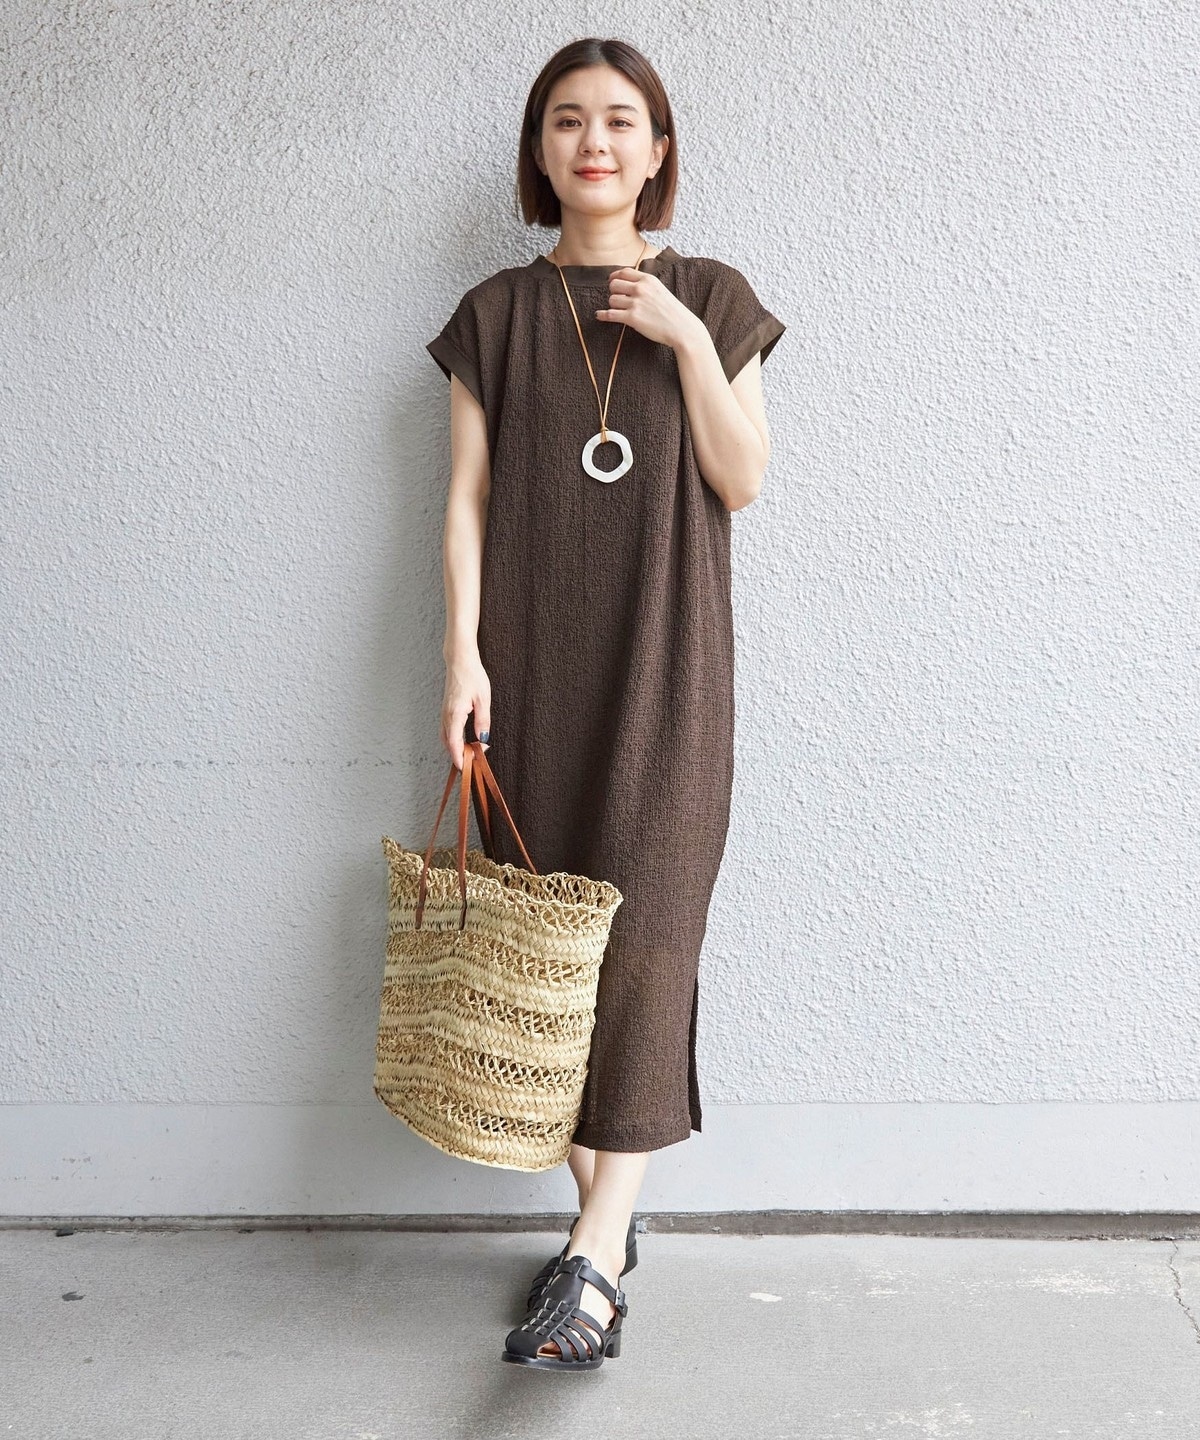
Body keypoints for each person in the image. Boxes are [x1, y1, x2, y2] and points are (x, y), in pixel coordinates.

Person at [426, 37, 785, 1369]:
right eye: (569, 121)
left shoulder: (714, 296)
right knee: (546, 962)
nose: (595, 143)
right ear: (540, 151)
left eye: (621, 120)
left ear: (658, 150)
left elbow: (742, 478)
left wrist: (684, 337)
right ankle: (604, 1233)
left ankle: (588, 1264)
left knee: (645, 950)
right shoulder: (496, 317)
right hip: (529, 674)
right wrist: (461, 658)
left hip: (669, 671)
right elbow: (464, 501)